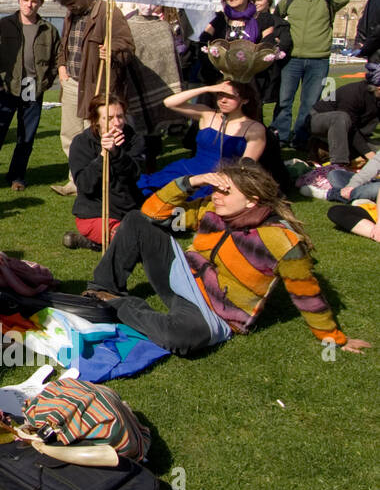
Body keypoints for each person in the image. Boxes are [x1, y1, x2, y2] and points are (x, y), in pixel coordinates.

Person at [84, 161, 369, 356]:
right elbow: (151, 213)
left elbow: (307, 294)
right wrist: (192, 181)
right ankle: (103, 288)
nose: (216, 196)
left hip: (213, 314)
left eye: (225, 191)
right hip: (182, 276)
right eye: (217, 189)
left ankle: (117, 304)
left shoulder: (282, 242)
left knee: (178, 340)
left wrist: (333, 339)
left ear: (252, 200)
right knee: (135, 220)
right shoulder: (210, 210)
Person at [50, 0, 136, 195]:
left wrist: (114, 51)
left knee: (95, 135)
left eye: (72, 2)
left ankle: (97, 183)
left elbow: (128, 48)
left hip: (97, 85)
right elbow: (65, 44)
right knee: (69, 135)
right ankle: (76, 180)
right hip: (71, 82)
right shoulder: (71, 14)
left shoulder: (109, 13)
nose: (70, 7)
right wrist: (62, 67)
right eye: (66, 5)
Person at [0, 0, 60, 192]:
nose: (29, 5)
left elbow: (57, 60)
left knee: (26, 136)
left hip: (32, 87)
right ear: (19, 0)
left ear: (41, 3)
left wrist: (45, 83)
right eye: (26, 0)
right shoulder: (3, 24)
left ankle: (17, 176)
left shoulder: (49, 30)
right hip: (6, 86)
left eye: (34, 1)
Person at [138, 80, 265, 196]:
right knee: (147, 189)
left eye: (230, 97)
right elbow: (169, 103)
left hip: (220, 177)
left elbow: (246, 166)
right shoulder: (207, 114)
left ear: (245, 100)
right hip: (188, 169)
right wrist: (206, 88)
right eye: (220, 95)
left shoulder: (254, 128)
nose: (223, 100)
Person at [273, 0, 349, 147]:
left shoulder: (328, 0)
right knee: (284, 100)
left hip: (318, 59)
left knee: (310, 102)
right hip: (291, 59)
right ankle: (280, 136)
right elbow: (276, 18)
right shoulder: (289, 1)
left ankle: (301, 138)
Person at [64, 93, 146, 251]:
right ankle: (96, 240)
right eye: (108, 118)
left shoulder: (134, 139)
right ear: (95, 121)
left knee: (155, 232)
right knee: (131, 240)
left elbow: (135, 174)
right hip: (95, 212)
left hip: (128, 208)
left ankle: (91, 243)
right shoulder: (81, 143)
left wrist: (117, 153)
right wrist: (103, 156)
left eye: (120, 116)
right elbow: (85, 185)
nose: (117, 123)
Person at [198, 0, 275, 86]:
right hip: (219, 78)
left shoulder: (262, 19)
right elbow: (204, 42)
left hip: (250, 79)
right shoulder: (219, 19)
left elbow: (267, 46)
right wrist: (218, 65)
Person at [306, 66, 380, 166]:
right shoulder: (354, 93)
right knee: (341, 117)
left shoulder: (376, 97)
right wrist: (368, 154)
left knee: (376, 153)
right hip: (318, 120)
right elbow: (350, 129)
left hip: (351, 130)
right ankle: (338, 164)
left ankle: (331, 151)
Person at [254, 0, 293, 109]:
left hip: (267, 73)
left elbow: (284, 46)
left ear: (269, 1)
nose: (255, 2)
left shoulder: (281, 24)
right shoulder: (245, 21)